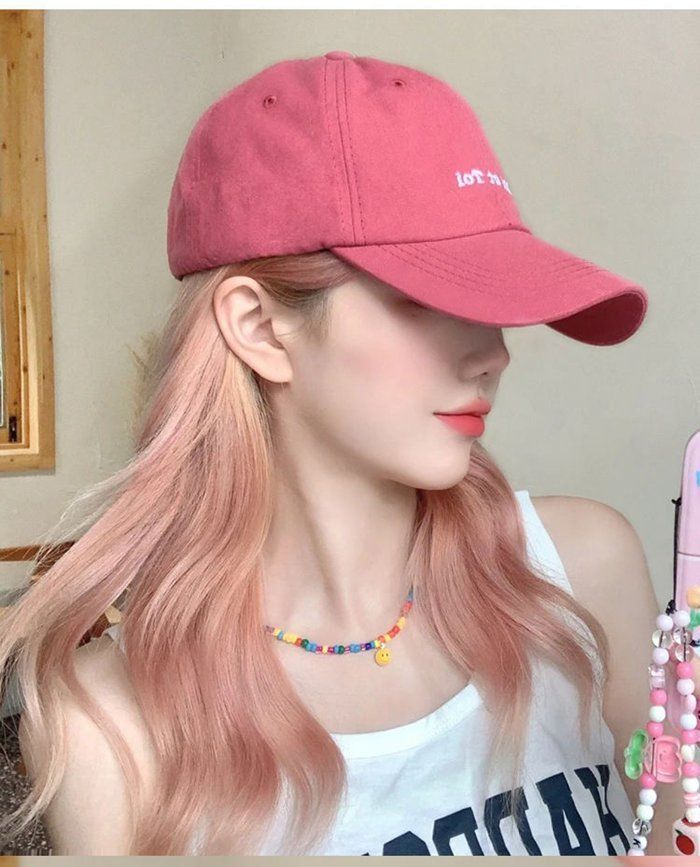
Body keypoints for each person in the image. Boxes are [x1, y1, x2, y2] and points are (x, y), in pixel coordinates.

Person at [0, 50, 679, 856]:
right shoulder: (110, 728)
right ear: (259, 326)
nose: (494, 354)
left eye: (492, 300)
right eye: (427, 298)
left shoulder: (580, 573)